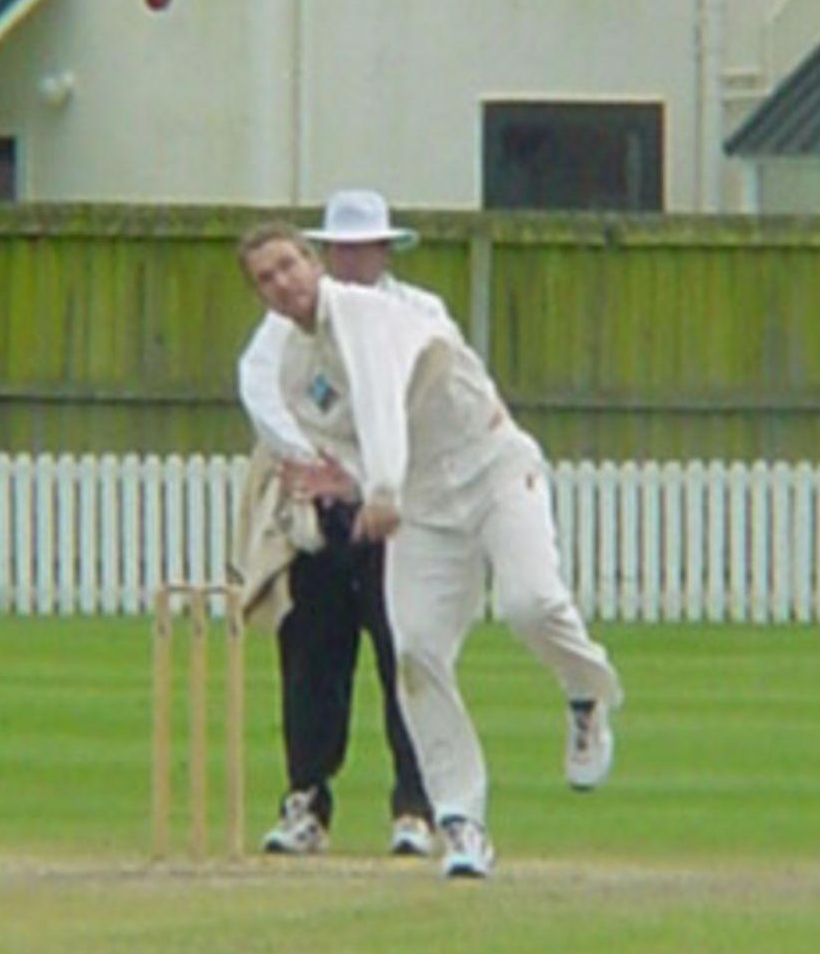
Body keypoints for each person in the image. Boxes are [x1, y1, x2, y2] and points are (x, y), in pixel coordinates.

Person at [237, 221, 622, 878]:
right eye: (265, 279)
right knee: (416, 650)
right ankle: (461, 820)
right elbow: (350, 440)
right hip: (424, 504)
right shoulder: (297, 365)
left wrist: (378, 488)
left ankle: (586, 691)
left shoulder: (365, 312)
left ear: (312, 262)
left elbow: (385, 401)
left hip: (493, 466)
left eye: (287, 266)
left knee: (531, 605)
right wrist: (354, 481)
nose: (282, 285)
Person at [238, 189, 439, 857]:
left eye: (363, 246)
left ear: (384, 249)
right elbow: (262, 393)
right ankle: (306, 804)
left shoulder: (418, 313)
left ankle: (416, 806)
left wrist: (373, 475)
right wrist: (310, 465)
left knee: (406, 656)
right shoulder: (282, 331)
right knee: (311, 660)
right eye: (339, 248)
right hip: (321, 512)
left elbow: (435, 399)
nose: (351, 258)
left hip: (398, 513)